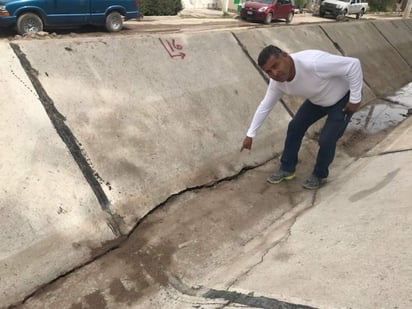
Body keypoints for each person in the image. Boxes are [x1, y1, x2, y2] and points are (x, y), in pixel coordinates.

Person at [240, 45, 363, 189]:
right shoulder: (277, 83)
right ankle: (287, 168)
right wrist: (250, 134)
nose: (275, 73)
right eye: (269, 71)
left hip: (343, 99)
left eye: (275, 65)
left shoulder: (314, 63)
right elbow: (265, 105)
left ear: (285, 56)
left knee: (327, 138)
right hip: (317, 100)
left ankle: (319, 174)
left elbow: (353, 64)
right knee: (295, 127)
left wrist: (355, 98)